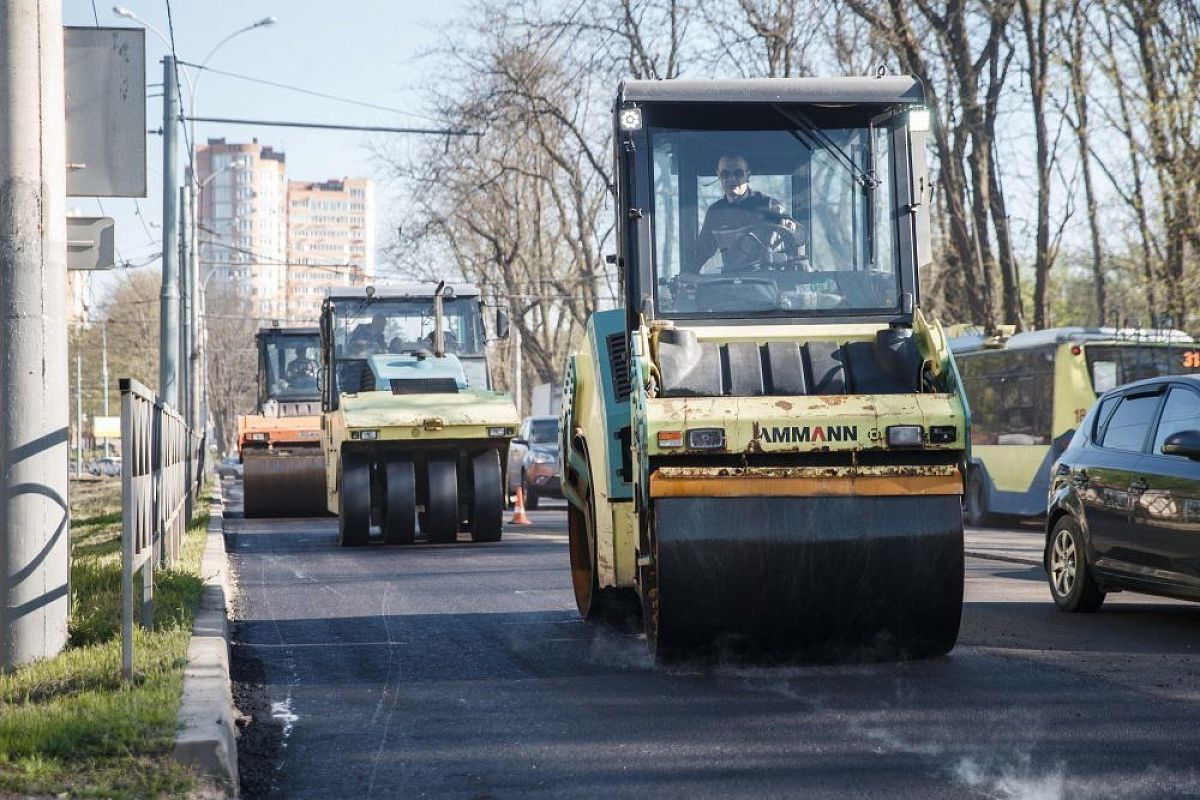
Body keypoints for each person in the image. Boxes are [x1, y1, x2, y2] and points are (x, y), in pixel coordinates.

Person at [686, 153, 798, 274]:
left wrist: (789, 226)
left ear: (747, 175)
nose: (731, 179)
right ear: (719, 176)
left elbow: (795, 237)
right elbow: (702, 251)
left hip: (768, 282)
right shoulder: (715, 214)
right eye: (725, 174)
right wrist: (687, 275)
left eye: (738, 173)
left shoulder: (769, 206)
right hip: (731, 285)